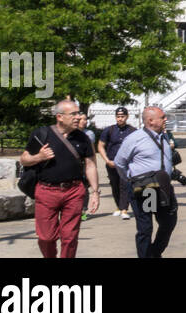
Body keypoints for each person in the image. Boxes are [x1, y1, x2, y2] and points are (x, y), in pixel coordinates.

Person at [20, 100, 100, 258]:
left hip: (74, 191)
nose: (78, 117)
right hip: (46, 191)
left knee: (70, 237)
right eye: (74, 114)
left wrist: (95, 192)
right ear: (60, 117)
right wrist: (39, 156)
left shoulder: (83, 138)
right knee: (46, 238)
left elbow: (91, 166)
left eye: (79, 114)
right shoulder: (42, 134)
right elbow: (24, 159)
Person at [114, 106, 178, 259]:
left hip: (163, 188)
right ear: (150, 120)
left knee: (168, 222)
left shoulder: (164, 136)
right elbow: (119, 162)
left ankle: (154, 253)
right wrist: (130, 179)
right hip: (146, 189)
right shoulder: (135, 138)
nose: (165, 120)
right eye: (162, 117)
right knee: (146, 227)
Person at [98, 106, 138, 220]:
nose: (120, 119)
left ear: (127, 116)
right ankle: (119, 207)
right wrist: (106, 160)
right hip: (111, 163)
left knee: (125, 185)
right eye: (118, 116)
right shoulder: (109, 130)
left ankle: (124, 209)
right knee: (114, 185)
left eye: (122, 116)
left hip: (126, 164)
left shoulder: (132, 131)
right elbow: (100, 146)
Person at [76, 113, 97, 220]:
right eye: (81, 119)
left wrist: (94, 165)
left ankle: (83, 211)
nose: (84, 121)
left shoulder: (89, 133)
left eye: (85, 119)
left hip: (86, 164)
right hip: (74, 165)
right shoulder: (69, 133)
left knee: (84, 188)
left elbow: (92, 152)